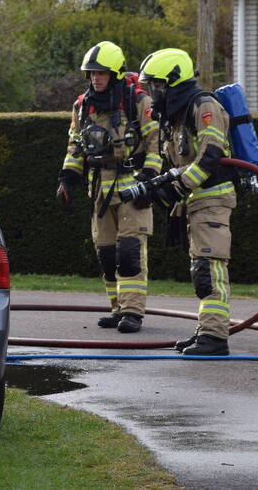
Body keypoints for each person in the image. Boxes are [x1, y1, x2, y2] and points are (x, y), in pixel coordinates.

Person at [56, 41, 162, 333]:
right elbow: (75, 146)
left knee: (129, 252)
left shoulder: (137, 101)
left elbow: (156, 142)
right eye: (91, 74)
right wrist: (67, 178)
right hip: (100, 191)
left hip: (133, 190)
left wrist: (149, 179)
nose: (95, 78)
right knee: (106, 253)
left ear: (114, 74)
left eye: (101, 73)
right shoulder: (82, 105)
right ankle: (117, 308)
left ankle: (132, 312)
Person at [137, 48, 236, 356]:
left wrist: (178, 187)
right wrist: (159, 185)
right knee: (201, 268)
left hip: (214, 199)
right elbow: (180, 163)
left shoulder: (204, 106)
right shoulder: (179, 116)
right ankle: (205, 331)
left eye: (158, 85)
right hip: (197, 202)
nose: (155, 93)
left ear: (174, 82)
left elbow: (210, 156)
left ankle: (215, 338)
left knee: (210, 268)